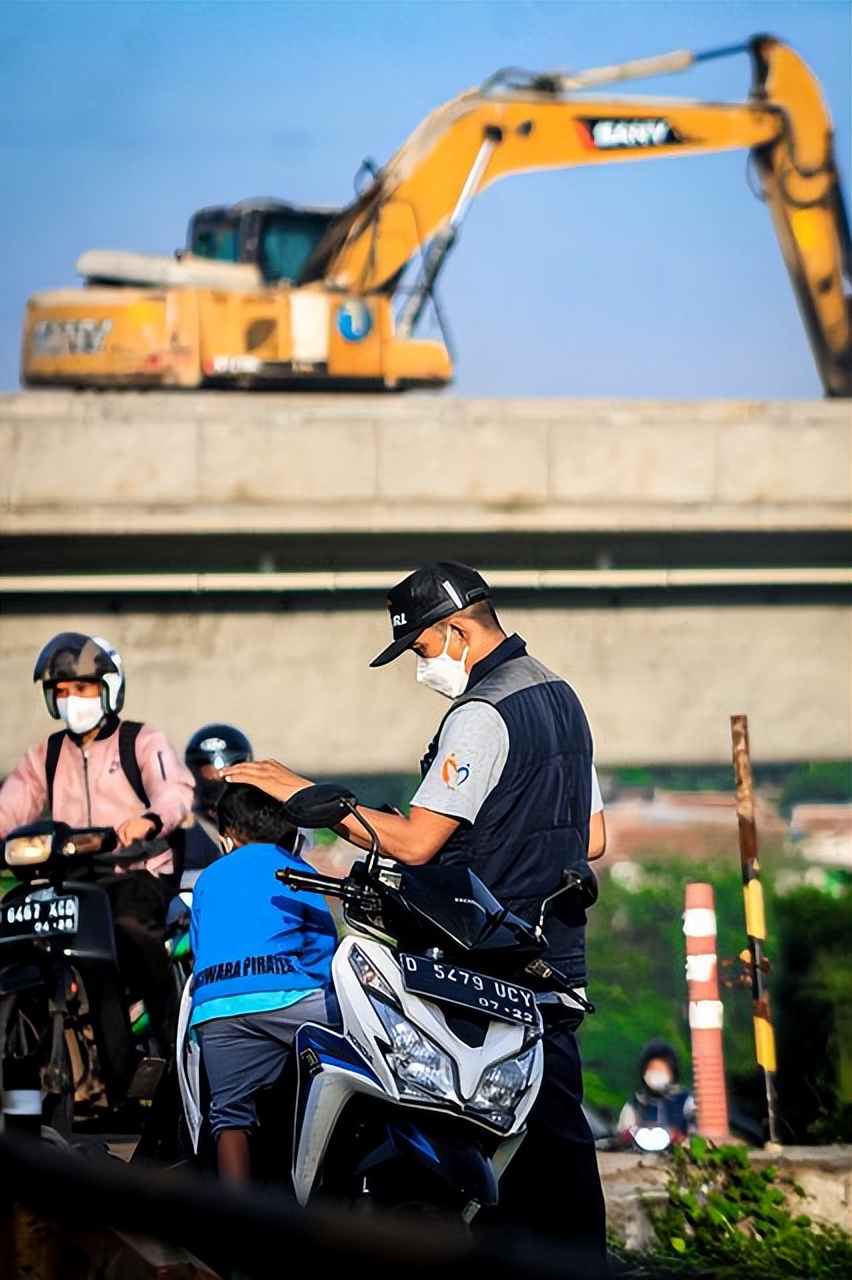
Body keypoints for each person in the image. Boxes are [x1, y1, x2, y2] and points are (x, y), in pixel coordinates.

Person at [224, 561, 609, 1269]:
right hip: (554, 960)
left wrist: (309, 796)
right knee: (554, 1146)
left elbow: (415, 842)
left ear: (456, 630)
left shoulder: (482, 713)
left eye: (422, 648)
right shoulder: (561, 695)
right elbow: (594, 837)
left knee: (472, 1139)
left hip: (487, 960)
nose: (421, 666)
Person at [0, 631, 195, 1072]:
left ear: (109, 689)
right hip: (67, 880)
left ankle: (170, 1050)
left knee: (128, 930)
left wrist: (149, 820)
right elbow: (9, 808)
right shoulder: (46, 755)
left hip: (134, 875)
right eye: (61, 691)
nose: (71, 699)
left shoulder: (141, 741)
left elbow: (175, 793)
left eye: (82, 688)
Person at [188, 781, 339, 1185]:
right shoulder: (296, 869)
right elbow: (322, 944)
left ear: (229, 835)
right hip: (287, 996)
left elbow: (199, 947)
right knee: (354, 1056)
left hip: (216, 1006)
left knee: (229, 1116)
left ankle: (237, 1213)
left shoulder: (208, 878)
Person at [179, 723, 256, 881]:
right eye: (208, 784)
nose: (217, 794)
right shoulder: (181, 838)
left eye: (226, 780)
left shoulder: (267, 824)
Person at [617, 1038, 697, 1147]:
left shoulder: (686, 1101)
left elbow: (697, 1135)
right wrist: (630, 1135)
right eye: (652, 1069)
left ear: (673, 1072)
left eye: (662, 1070)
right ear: (644, 1072)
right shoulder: (636, 1102)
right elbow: (623, 1132)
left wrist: (680, 1139)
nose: (657, 1074)